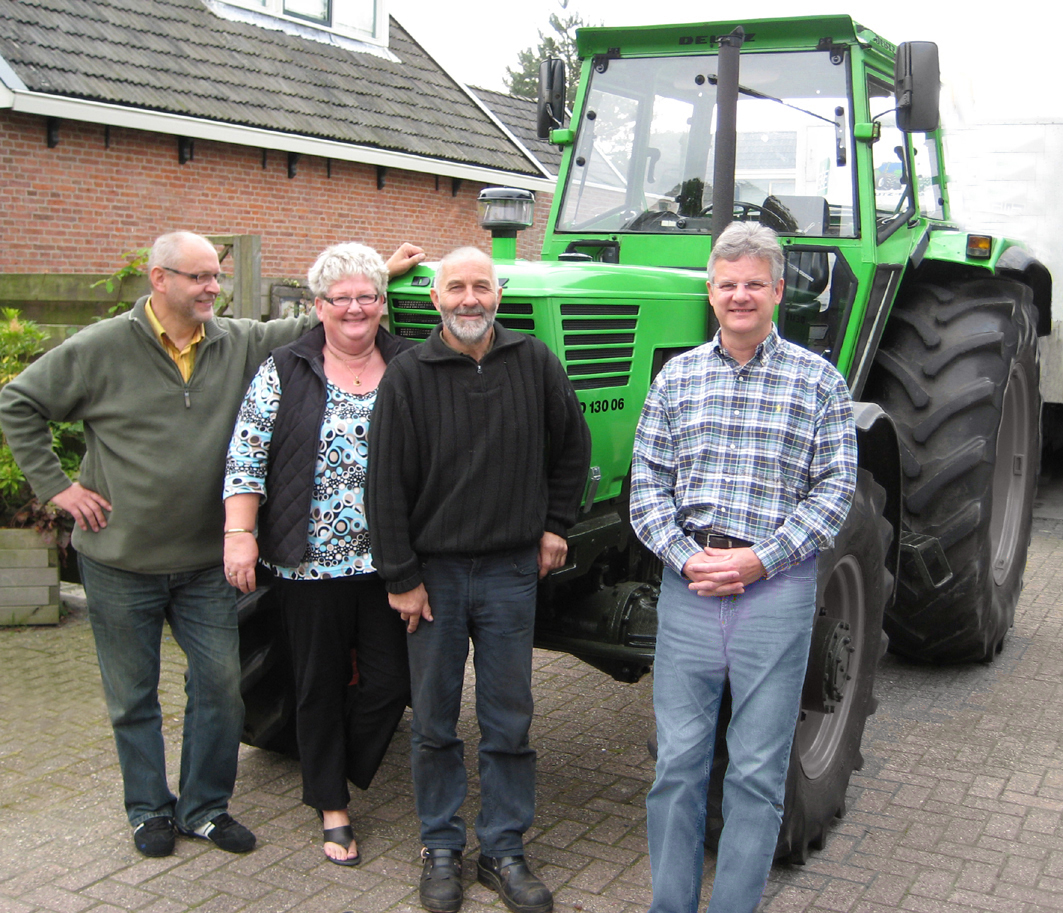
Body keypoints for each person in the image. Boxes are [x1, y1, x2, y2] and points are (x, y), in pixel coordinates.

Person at [0, 231, 424, 859]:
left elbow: (330, 315)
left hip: (205, 562)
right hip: (120, 557)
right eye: (197, 277)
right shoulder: (101, 348)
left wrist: (374, 275)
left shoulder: (236, 341)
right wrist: (57, 488)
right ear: (158, 278)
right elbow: (19, 401)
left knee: (223, 689)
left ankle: (203, 807)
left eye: (216, 279)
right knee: (133, 695)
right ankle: (149, 810)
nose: (210, 289)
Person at [630, 222, 857, 913]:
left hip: (775, 589)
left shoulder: (819, 381)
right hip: (691, 585)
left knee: (757, 772)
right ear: (709, 290)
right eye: (726, 283)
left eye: (753, 283)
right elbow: (646, 483)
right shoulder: (676, 376)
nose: (739, 295)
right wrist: (686, 554)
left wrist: (760, 559)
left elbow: (835, 489)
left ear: (778, 291)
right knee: (676, 766)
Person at [366, 247, 591, 913]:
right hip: (430, 578)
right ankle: (440, 842)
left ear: (498, 294)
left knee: (507, 716)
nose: (469, 298)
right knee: (433, 717)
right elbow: (383, 483)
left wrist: (556, 525)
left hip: (508, 571)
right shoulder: (408, 374)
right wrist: (400, 575)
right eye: (456, 287)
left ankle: (502, 846)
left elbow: (571, 446)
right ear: (436, 298)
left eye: (481, 287)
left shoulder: (534, 362)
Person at [222, 242, 412, 866]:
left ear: (383, 304)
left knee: (390, 683)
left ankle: (338, 764)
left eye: (368, 296)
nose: (355, 309)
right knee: (317, 681)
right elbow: (246, 455)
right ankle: (330, 803)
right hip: (308, 562)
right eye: (342, 298)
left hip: (391, 560)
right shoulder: (286, 366)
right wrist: (240, 533)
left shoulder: (412, 365)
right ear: (318, 306)